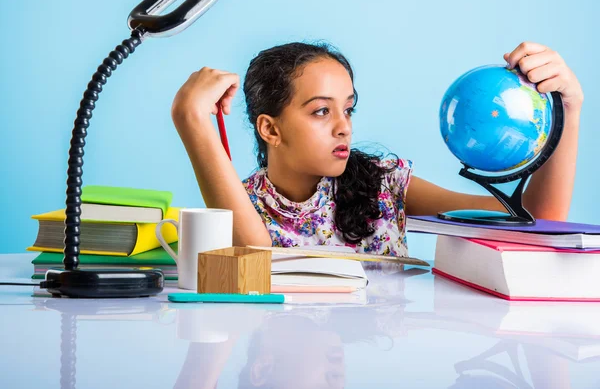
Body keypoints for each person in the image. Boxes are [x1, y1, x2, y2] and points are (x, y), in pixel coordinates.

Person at [171, 41, 583, 255]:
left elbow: (538, 220)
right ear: (270, 129)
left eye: (347, 110)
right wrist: (192, 119)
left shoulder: (382, 185)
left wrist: (570, 106)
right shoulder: (237, 206)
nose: (343, 128)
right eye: (320, 112)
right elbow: (253, 256)